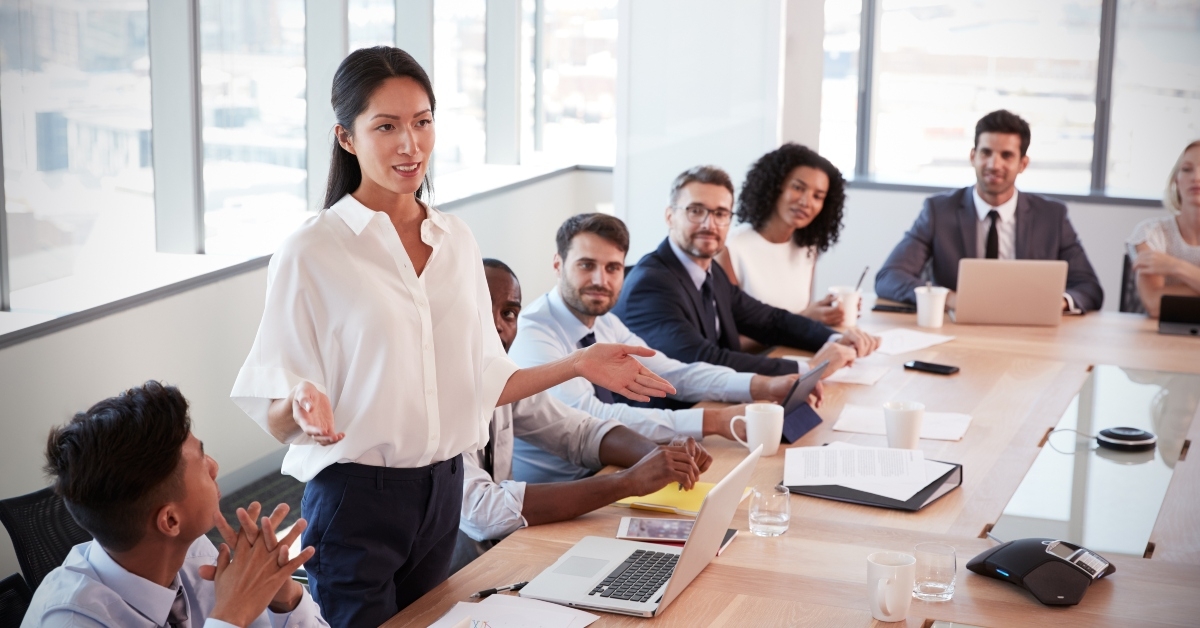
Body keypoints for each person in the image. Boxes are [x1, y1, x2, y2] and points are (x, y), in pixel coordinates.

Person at [229, 47, 674, 627]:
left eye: (422, 122)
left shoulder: (456, 240)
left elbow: (486, 383)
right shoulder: (312, 249)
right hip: (356, 498)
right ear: (347, 137)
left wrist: (579, 367)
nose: (409, 145)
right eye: (386, 126)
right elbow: (276, 414)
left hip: (443, 491)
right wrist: (299, 407)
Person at [509, 213, 826, 484]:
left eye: (612, 268)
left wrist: (761, 384)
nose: (599, 280)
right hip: (561, 493)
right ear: (557, 264)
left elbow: (673, 373)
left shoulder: (604, 323)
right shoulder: (533, 333)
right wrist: (713, 421)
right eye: (586, 265)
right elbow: (592, 418)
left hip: (611, 473)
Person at [451, 259, 713, 573]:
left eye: (508, 313)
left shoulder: (503, 379)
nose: (498, 325)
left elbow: (580, 432)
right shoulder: (439, 398)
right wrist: (626, 482)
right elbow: (483, 512)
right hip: (455, 575)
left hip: (508, 554)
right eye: (482, 310)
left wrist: (660, 458)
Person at [24, 381, 327, 628]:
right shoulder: (71, 620)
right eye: (201, 460)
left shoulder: (195, 552)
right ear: (169, 521)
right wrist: (231, 615)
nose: (214, 467)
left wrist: (281, 596)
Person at [613, 166, 879, 378]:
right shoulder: (651, 285)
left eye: (720, 214)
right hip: (670, 422)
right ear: (670, 216)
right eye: (696, 211)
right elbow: (704, 359)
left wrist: (835, 337)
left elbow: (770, 320)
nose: (710, 224)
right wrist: (809, 369)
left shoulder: (708, 270)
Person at [874, 109, 1104, 313]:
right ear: (973, 156)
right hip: (960, 331)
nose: (994, 165)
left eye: (1006, 155)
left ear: (1023, 164)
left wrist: (1058, 303)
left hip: (1029, 334)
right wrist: (949, 298)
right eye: (986, 153)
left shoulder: (1051, 216)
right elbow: (889, 277)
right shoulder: (938, 211)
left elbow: (1089, 287)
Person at [716, 143, 848, 324]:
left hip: (794, 351)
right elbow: (730, 338)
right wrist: (804, 320)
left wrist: (825, 313)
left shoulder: (807, 248)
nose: (806, 202)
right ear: (775, 186)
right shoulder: (732, 249)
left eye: (817, 196)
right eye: (798, 188)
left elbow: (800, 314)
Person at [1127, 140, 1200, 318]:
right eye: (1186, 169)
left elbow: (1166, 298)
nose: (1196, 177)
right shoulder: (1151, 233)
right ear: (1176, 179)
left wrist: (1174, 266)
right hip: (1162, 337)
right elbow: (1155, 304)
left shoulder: (1170, 263)